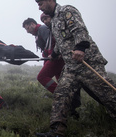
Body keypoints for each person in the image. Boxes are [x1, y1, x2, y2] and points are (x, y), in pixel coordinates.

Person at [35, 0, 116, 136]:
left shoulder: (67, 11)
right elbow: (61, 42)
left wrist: (80, 48)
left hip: (87, 62)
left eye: (40, 3)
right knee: (61, 94)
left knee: (106, 94)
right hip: (71, 67)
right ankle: (56, 131)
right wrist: (54, 54)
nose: (39, 8)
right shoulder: (53, 21)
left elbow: (79, 30)